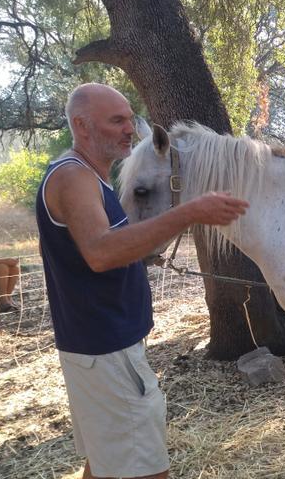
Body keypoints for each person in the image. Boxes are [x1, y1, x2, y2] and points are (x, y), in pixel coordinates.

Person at [37, 83, 249, 479]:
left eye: (128, 119)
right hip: (106, 352)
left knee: (103, 465)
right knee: (148, 471)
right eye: (116, 120)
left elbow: (106, 246)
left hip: (100, 349)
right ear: (82, 126)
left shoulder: (90, 177)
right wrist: (189, 212)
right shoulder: (73, 178)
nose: (129, 130)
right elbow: (101, 252)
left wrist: (143, 249)